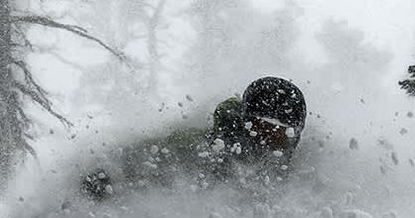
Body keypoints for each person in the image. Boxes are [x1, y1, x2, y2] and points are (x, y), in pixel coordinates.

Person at [81, 76, 307, 199]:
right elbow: (137, 159)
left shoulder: (301, 172)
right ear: (243, 122)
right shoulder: (197, 148)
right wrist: (106, 178)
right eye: (260, 128)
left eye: (282, 134)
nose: (268, 141)